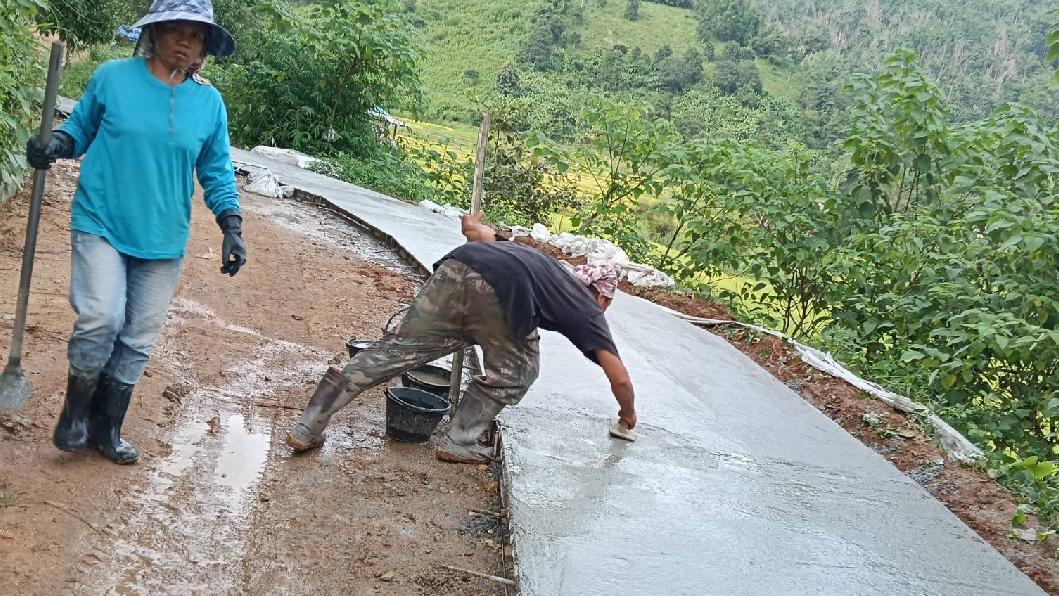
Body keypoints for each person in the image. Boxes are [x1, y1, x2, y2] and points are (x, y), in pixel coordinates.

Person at [24, 0, 245, 465]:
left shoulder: (209, 103)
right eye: (177, 30)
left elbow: (217, 169)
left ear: (205, 47)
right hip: (101, 220)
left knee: (138, 336)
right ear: (154, 33)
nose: (186, 41)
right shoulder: (113, 78)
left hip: (163, 236)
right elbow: (79, 129)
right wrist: (55, 144)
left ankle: (107, 427)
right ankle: (75, 413)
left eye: (197, 35)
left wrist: (231, 225)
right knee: (101, 318)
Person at [285, 213, 637, 463]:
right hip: (500, 291)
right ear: (601, 296)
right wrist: (627, 415)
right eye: (607, 303)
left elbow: (480, 235)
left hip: (457, 268)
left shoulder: (545, 265)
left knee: (393, 352)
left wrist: (471, 224)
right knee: (518, 370)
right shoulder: (586, 308)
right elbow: (619, 377)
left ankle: (307, 427)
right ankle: (460, 440)